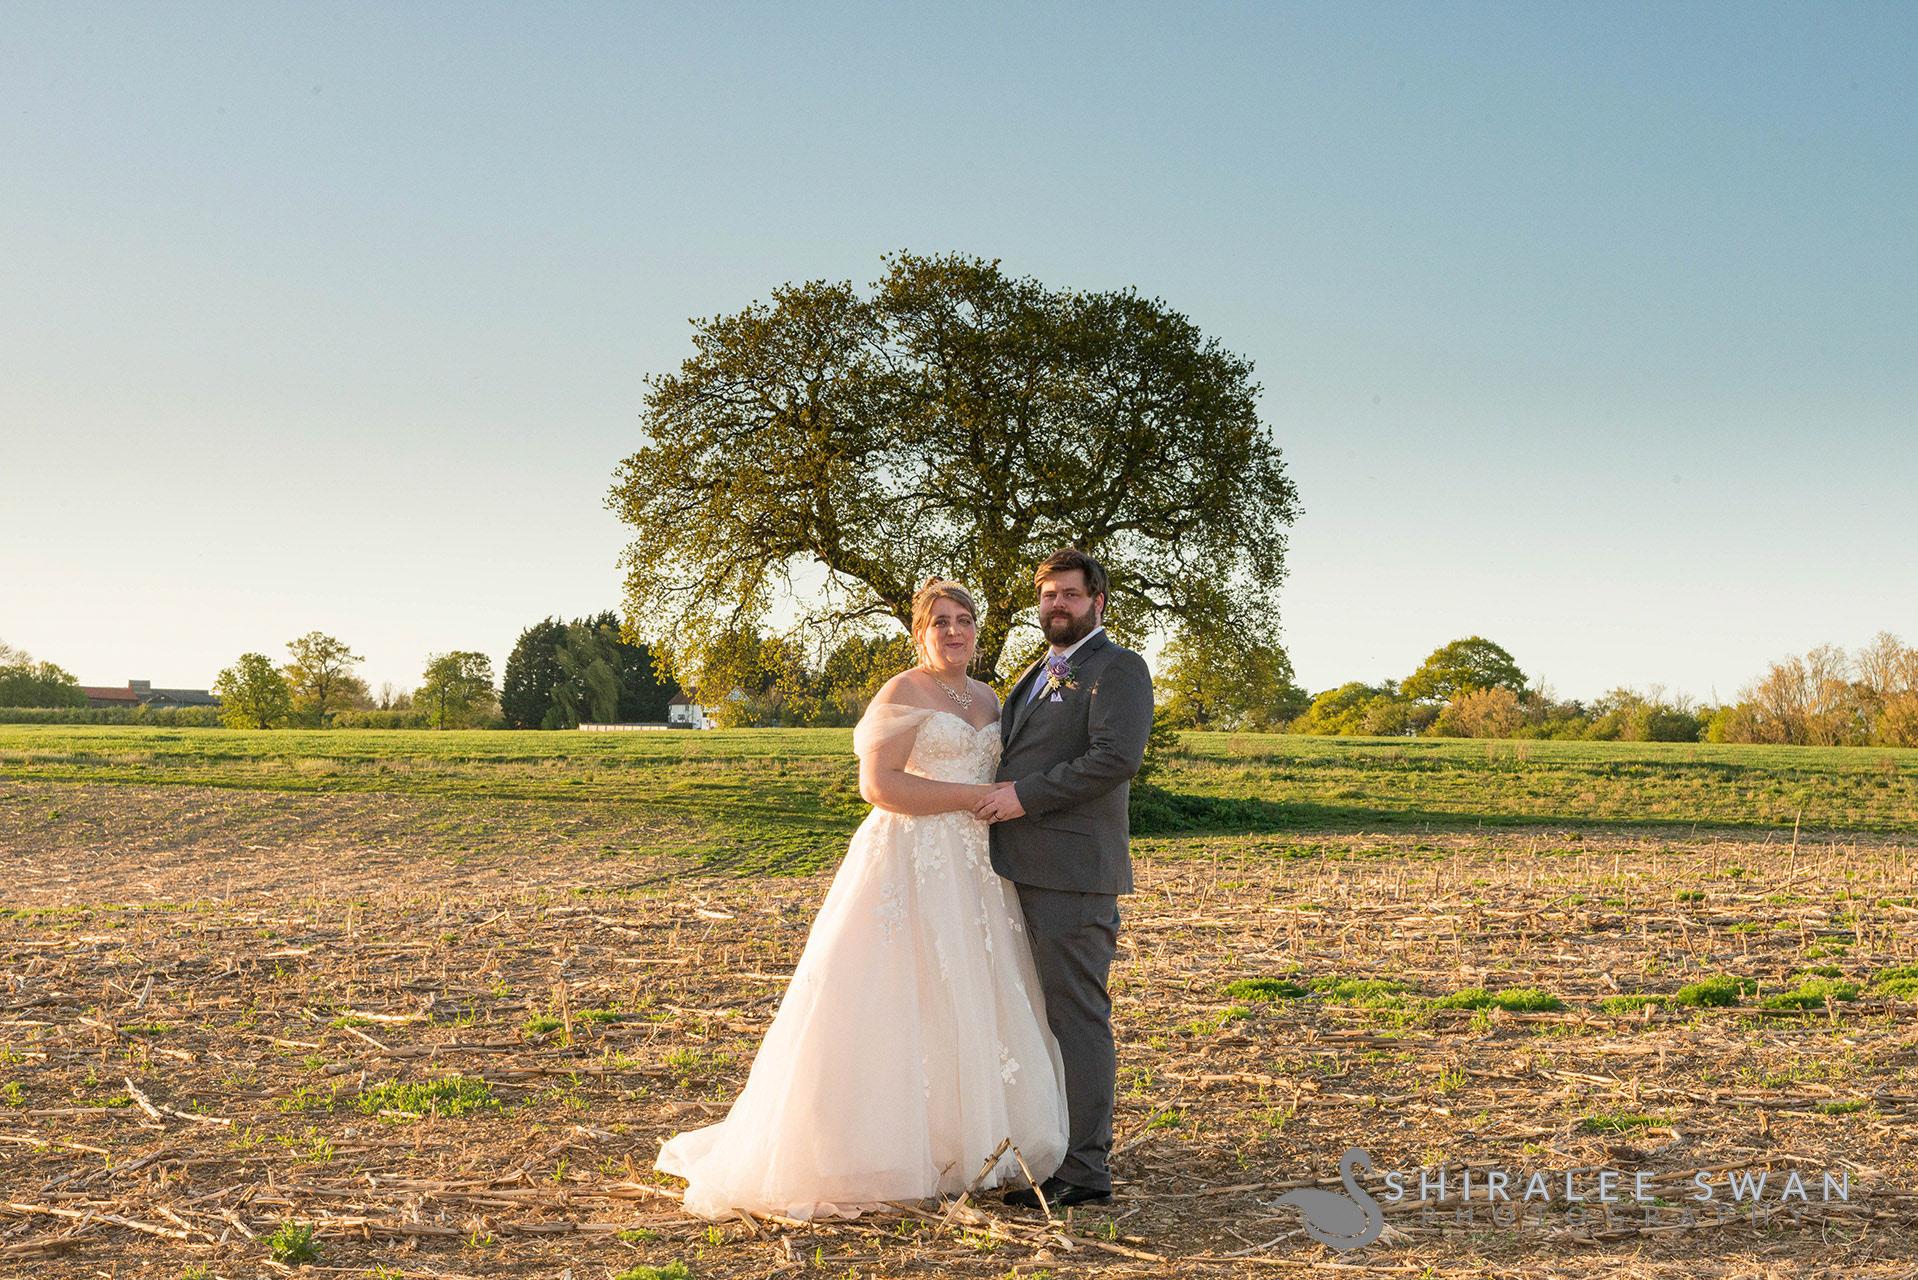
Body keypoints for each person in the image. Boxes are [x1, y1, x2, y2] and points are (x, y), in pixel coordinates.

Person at [654, 579, 1068, 1220]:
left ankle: (972, 1143)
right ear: (920, 631)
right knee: (893, 990)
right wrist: (966, 800)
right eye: (941, 622)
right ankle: (880, 1144)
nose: (955, 631)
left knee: (972, 991)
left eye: (964, 620)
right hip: (912, 855)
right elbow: (878, 785)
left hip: (978, 868)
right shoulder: (903, 691)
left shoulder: (989, 696)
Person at [974, 548, 1154, 1209]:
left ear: (1098, 602)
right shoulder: (1040, 669)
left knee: (1077, 1019)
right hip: (1021, 867)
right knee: (1041, 1018)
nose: (1057, 605)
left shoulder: (1119, 667)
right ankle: (1051, 1148)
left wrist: (1025, 796)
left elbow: (1115, 758)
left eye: (1070, 596)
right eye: (1048, 595)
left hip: (1074, 874)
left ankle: (1085, 1170)